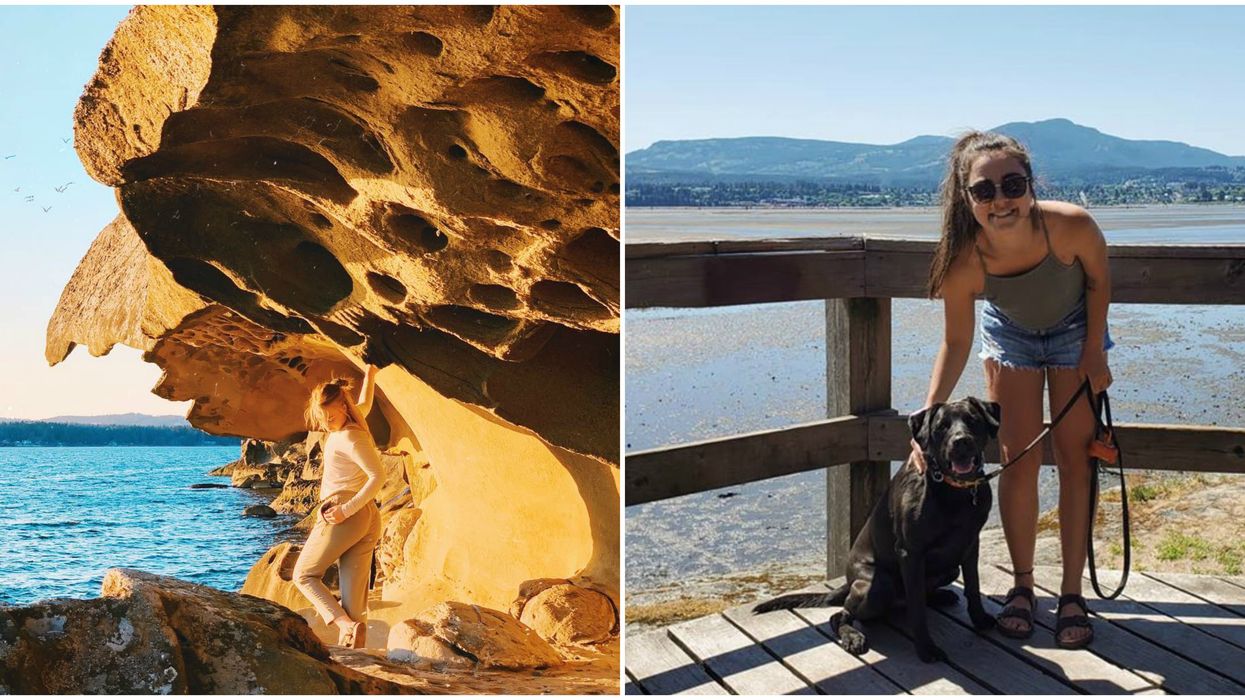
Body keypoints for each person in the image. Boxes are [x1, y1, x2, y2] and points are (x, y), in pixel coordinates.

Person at [912, 131, 1113, 650]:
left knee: (1075, 459)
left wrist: (1094, 350)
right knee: (1017, 459)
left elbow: (1098, 281)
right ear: (966, 196)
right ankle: (1023, 587)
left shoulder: (1071, 225)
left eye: (1012, 184)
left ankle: (1072, 593)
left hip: (1075, 331)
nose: (1001, 200)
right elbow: (955, 342)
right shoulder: (963, 259)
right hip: (1011, 337)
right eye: (984, 191)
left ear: (1030, 184)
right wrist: (930, 417)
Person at [294, 364, 384, 649]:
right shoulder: (353, 425)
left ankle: (344, 626)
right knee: (354, 600)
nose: (328, 423)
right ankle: (358, 656)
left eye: (331, 417)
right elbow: (365, 404)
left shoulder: (351, 436)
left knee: (304, 575)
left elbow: (378, 476)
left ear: (343, 407)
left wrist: (347, 509)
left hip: (346, 510)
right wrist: (370, 377)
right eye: (323, 419)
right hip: (364, 516)